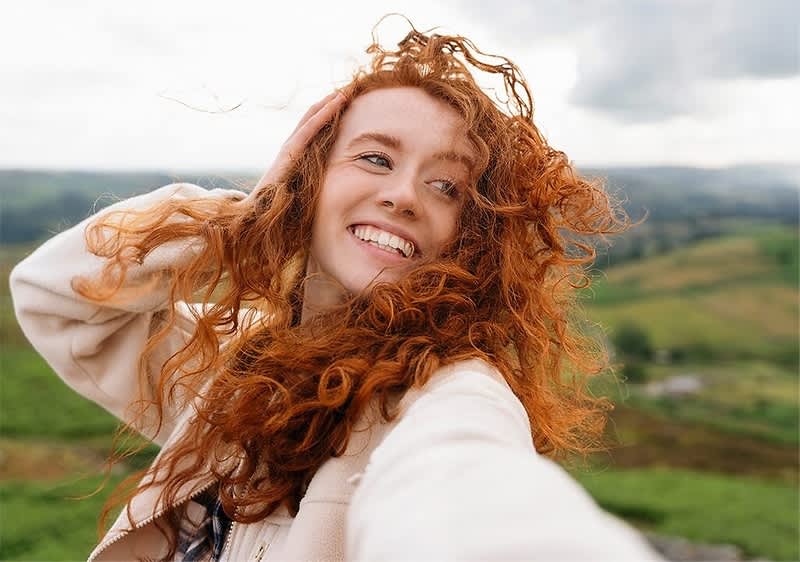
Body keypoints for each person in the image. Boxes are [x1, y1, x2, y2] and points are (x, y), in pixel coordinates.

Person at [10, 25, 661, 561]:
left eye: (447, 187)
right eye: (376, 158)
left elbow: (470, 495)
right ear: (309, 182)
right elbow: (57, 298)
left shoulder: (448, 397)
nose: (404, 195)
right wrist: (249, 217)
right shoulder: (237, 358)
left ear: (473, 236)